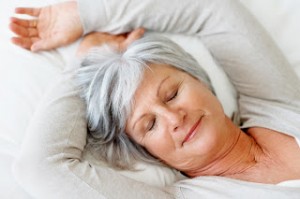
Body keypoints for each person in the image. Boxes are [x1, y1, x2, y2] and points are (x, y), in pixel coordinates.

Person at [9, 0, 300, 198]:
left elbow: (207, 8)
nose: (174, 119)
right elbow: (39, 166)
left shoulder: (275, 104)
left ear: (199, 79)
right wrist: (82, 63)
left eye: (172, 94)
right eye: (149, 125)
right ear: (149, 152)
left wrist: (83, 15)